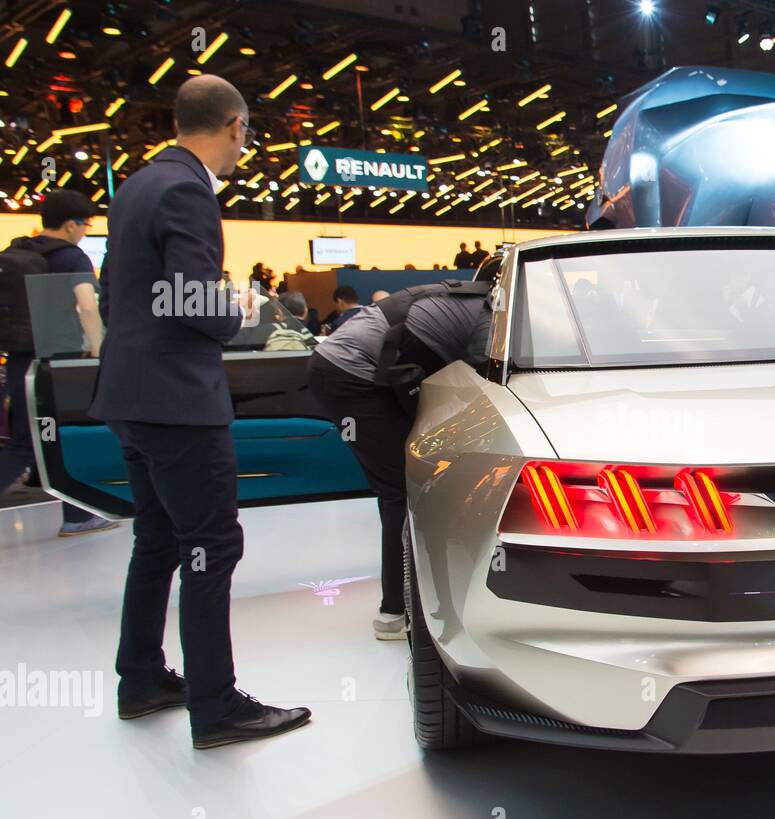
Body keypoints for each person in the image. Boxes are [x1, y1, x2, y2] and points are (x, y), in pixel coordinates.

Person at [89, 74, 310, 748]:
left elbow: (112, 298)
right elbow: (191, 300)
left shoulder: (135, 186)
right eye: (246, 134)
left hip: (129, 394)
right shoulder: (188, 190)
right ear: (235, 125)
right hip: (179, 401)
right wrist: (235, 309)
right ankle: (215, 705)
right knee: (211, 546)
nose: (244, 147)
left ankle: (142, 677)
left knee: (156, 540)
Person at [305, 268, 497, 639]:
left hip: (342, 368)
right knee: (400, 490)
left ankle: (407, 598)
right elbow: (486, 378)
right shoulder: (488, 314)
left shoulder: (460, 296)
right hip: (350, 375)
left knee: (400, 487)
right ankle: (394, 612)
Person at [0, 189, 120, 536]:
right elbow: (86, 302)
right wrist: (98, 348)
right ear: (71, 224)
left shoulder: (20, 249)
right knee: (64, 439)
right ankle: (79, 517)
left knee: (26, 442)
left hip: (22, 360)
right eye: (85, 224)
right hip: (58, 364)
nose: (85, 230)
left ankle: (79, 515)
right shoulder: (71, 258)